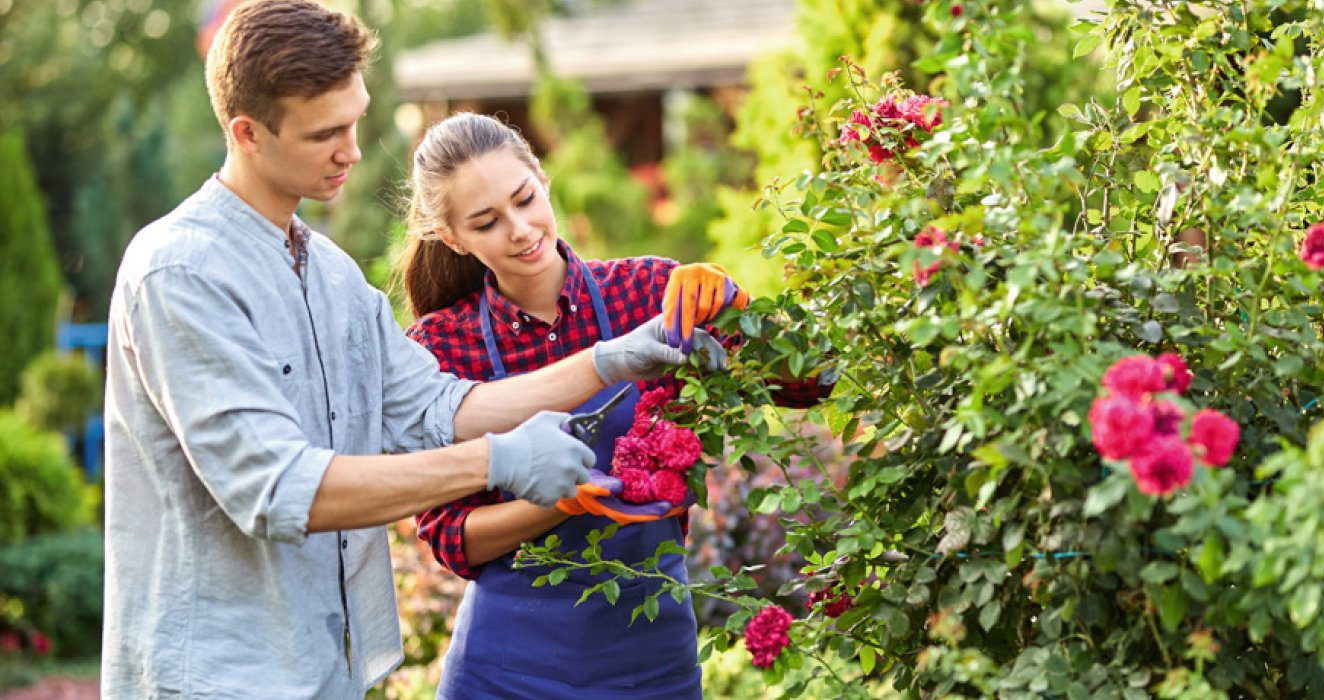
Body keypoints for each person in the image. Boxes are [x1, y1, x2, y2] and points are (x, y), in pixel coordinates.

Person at [100, 3, 725, 698]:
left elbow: (441, 406)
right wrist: (499, 461)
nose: (354, 150)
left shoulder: (331, 275)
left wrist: (607, 360)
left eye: (356, 120)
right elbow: (276, 487)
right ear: (247, 133)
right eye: (325, 133)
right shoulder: (182, 271)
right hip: (216, 675)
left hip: (323, 667)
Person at [399, 112, 830, 699]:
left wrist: (739, 309)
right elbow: (451, 538)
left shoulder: (649, 293)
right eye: (487, 222)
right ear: (453, 238)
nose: (521, 229)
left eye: (525, 199)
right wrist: (556, 505)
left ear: (542, 179)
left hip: (652, 662)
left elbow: (814, 380)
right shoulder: (442, 349)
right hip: (505, 672)